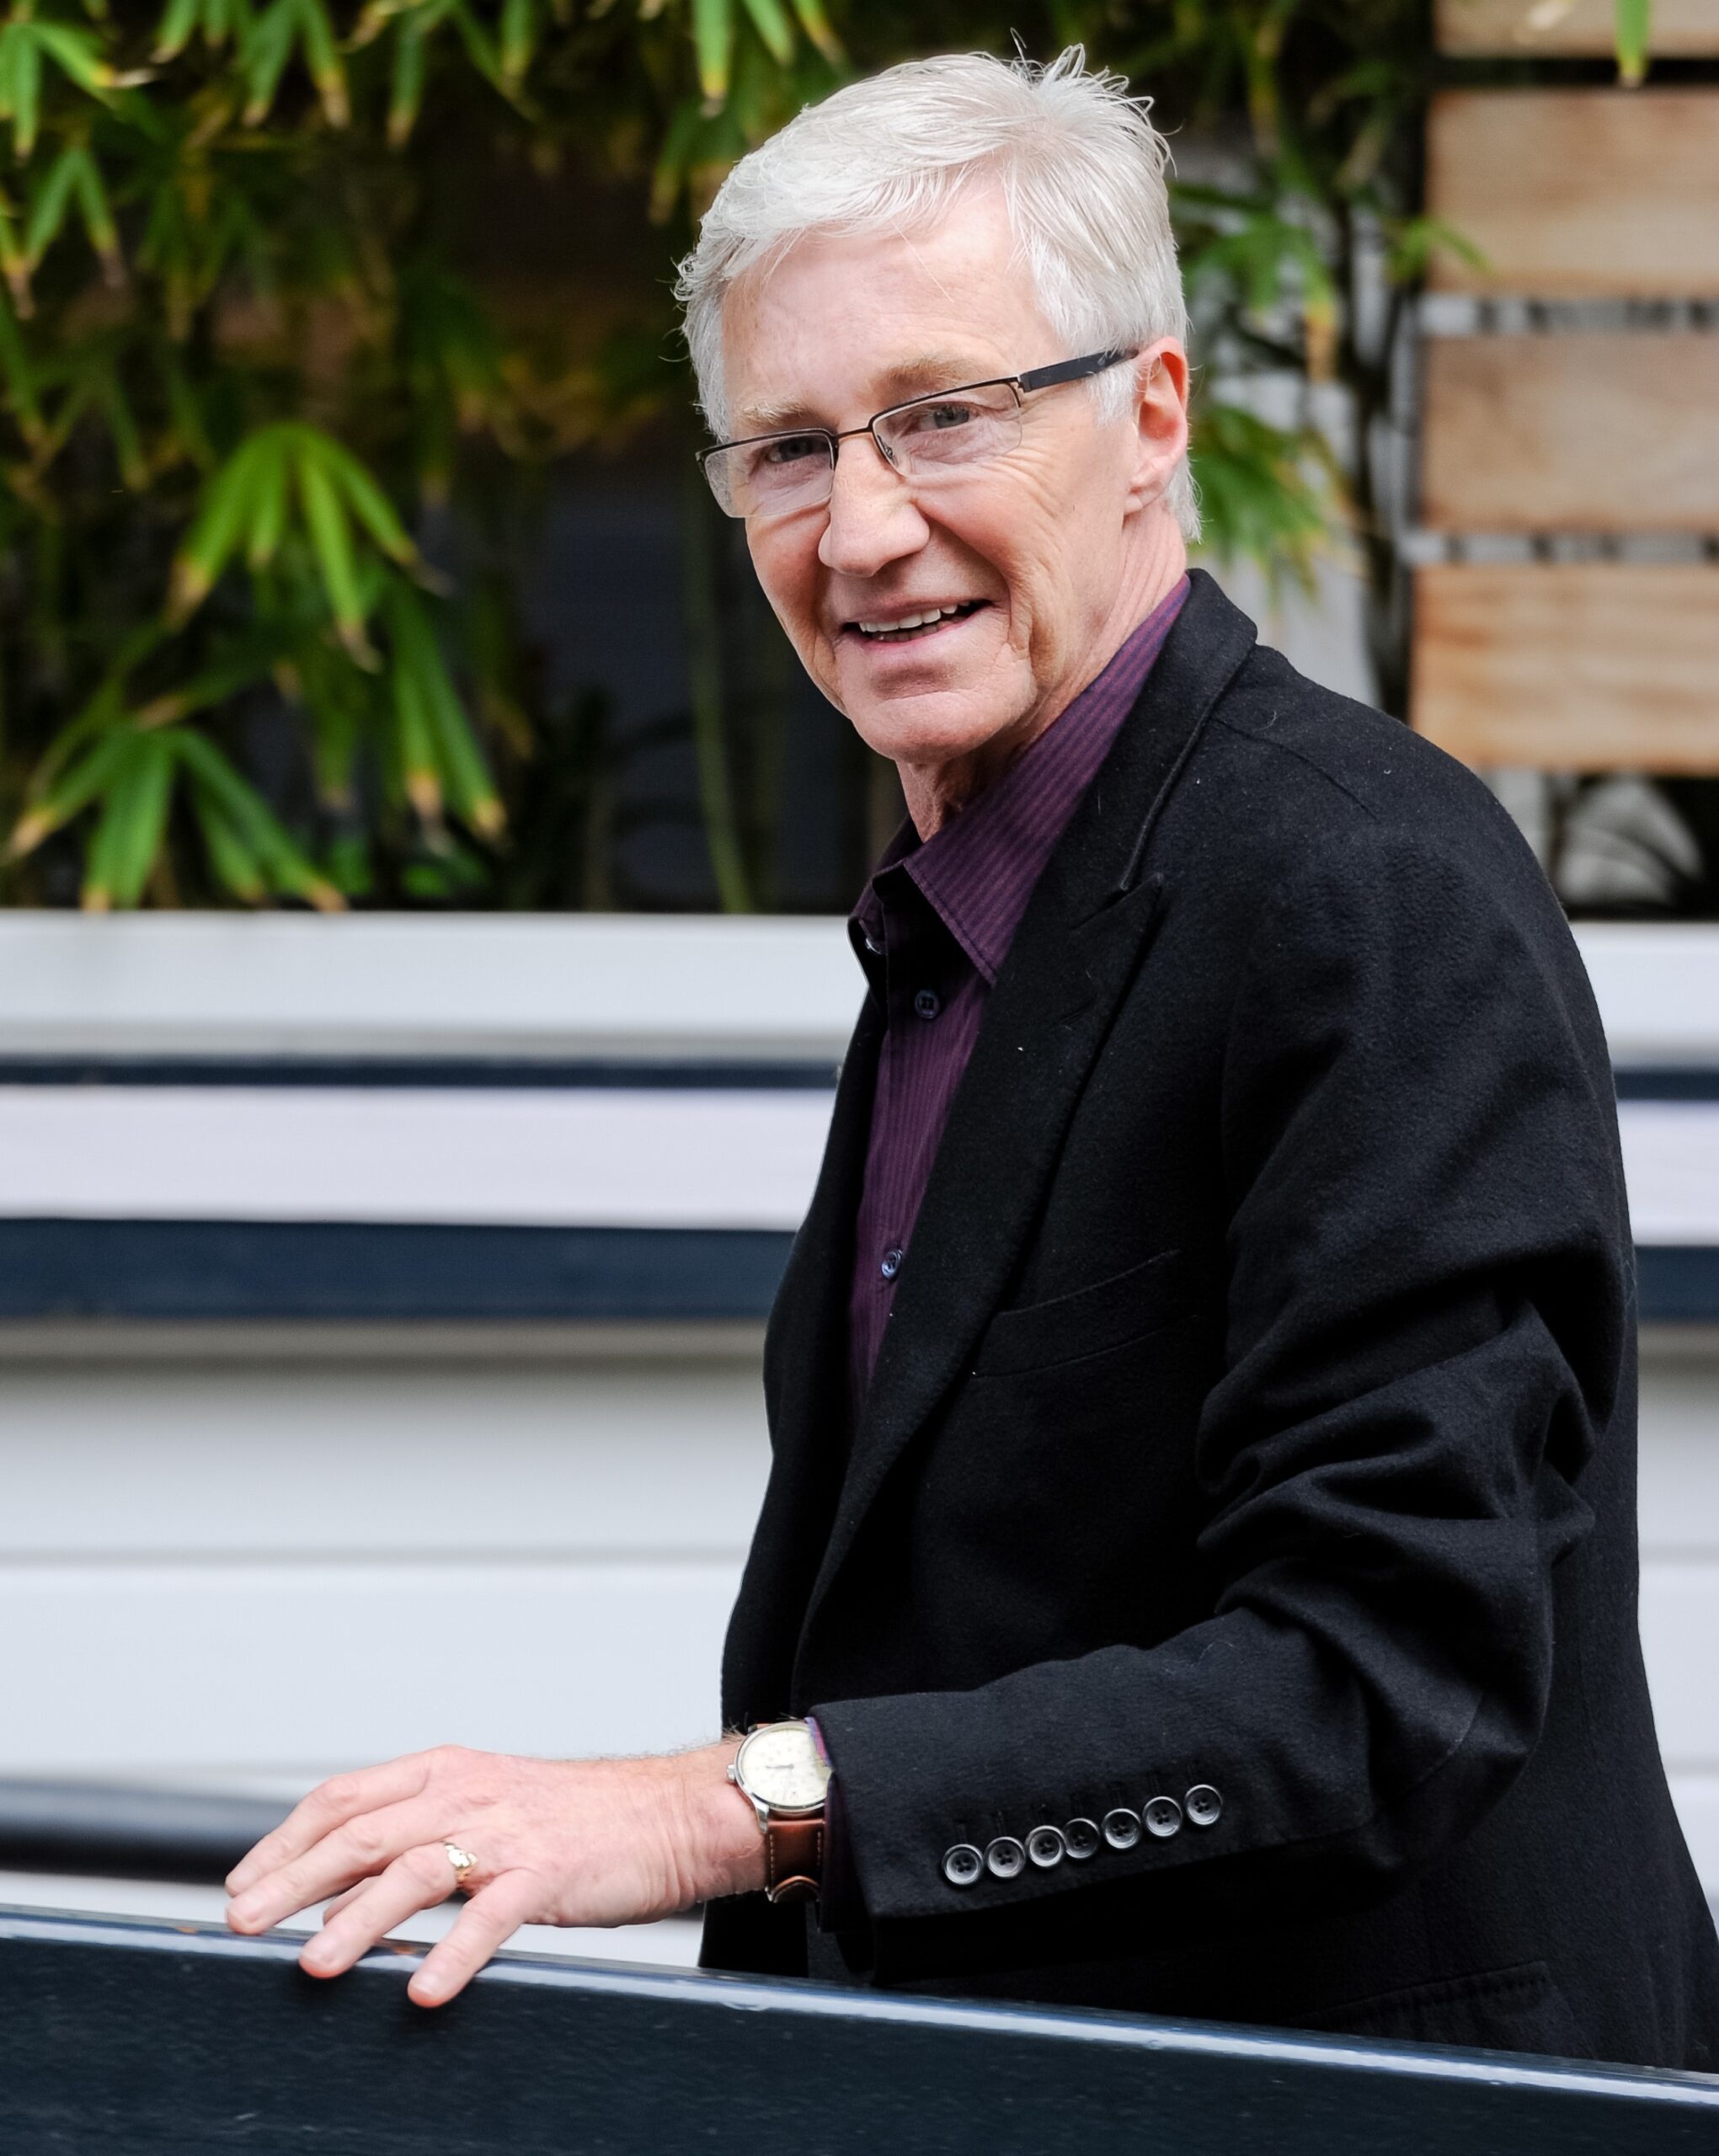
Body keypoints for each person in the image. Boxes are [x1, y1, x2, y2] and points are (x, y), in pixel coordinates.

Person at [225, 49, 1719, 2065]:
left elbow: (1381, 1680)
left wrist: (708, 1808)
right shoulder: (974, 905)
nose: (859, 527)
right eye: (786, 446)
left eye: (941, 416)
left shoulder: (1359, 885)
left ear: (1150, 418)